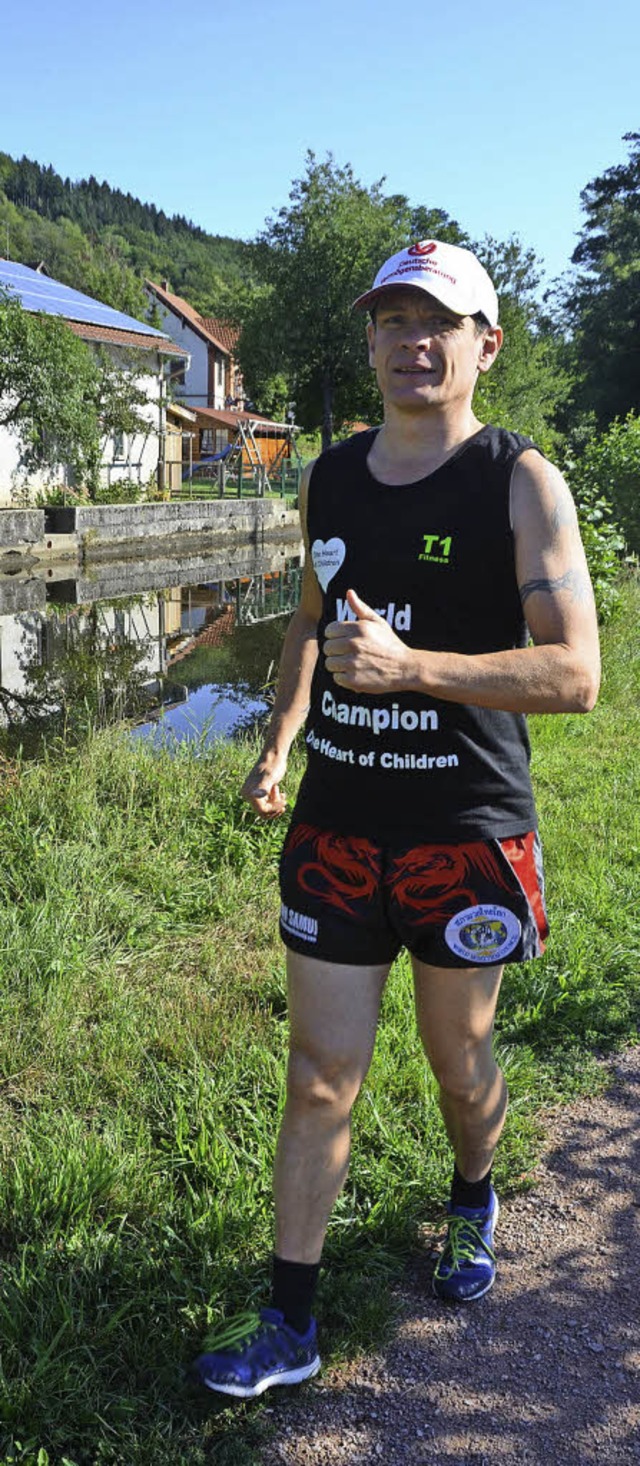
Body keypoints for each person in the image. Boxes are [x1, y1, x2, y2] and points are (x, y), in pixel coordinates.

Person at [192, 239, 601, 1399]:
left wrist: (415, 666)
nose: (413, 342)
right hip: (337, 828)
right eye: (391, 320)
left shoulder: (518, 480)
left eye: (439, 321)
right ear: (368, 338)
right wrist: (278, 739)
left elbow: (577, 677)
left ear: (484, 344)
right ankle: (291, 1319)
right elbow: (308, 622)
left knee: (458, 1060)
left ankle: (473, 1196)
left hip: (463, 830)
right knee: (320, 1072)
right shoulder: (331, 474)